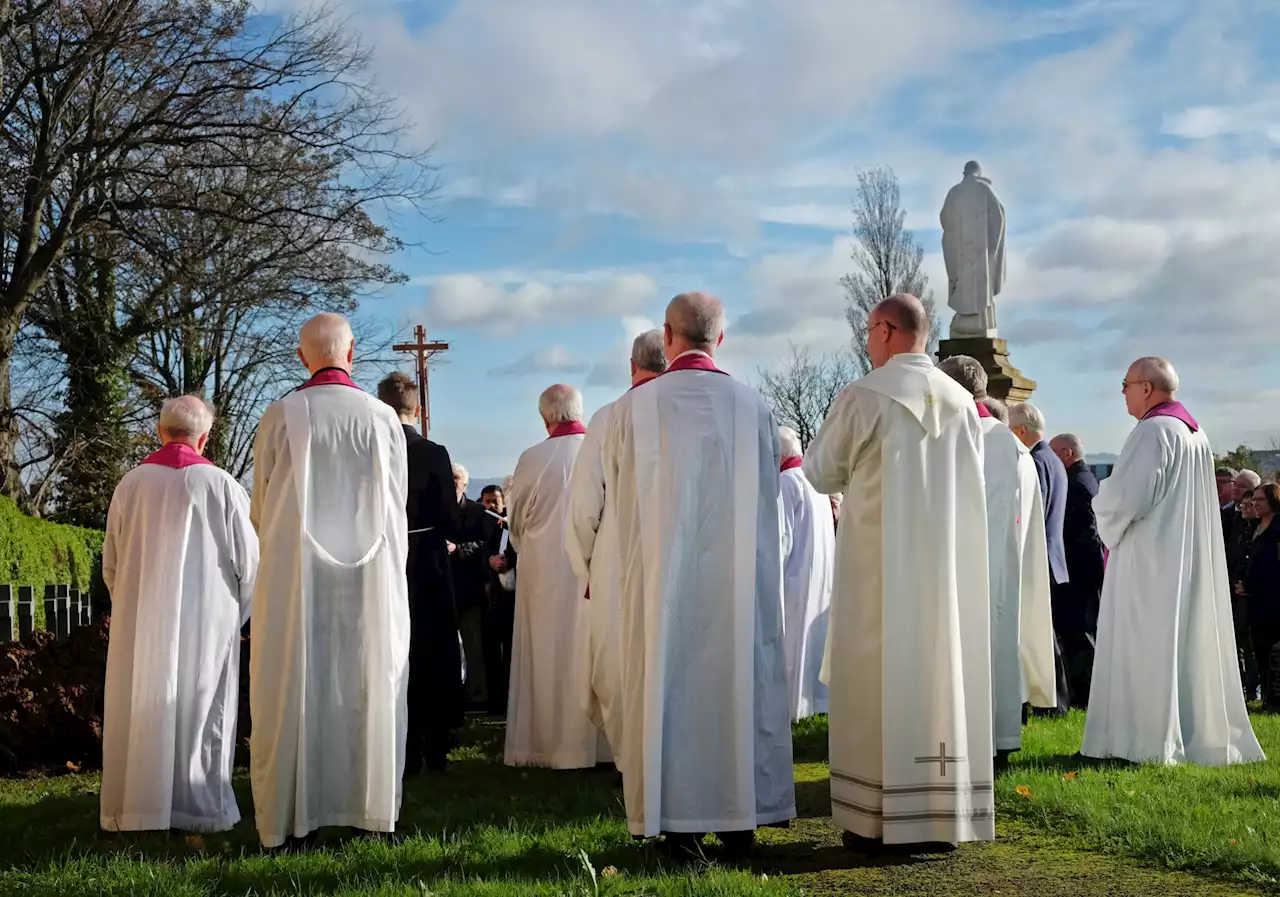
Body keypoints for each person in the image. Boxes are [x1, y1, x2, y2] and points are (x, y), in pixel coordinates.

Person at [566, 292, 794, 854]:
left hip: (655, 588)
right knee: (738, 690)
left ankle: (678, 827)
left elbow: (583, 514)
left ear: (668, 337)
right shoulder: (756, 408)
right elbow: (773, 505)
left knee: (665, 692)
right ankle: (742, 822)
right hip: (737, 587)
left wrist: (591, 570)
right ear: (720, 340)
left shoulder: (627, 411)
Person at [805, 294, 992, 851]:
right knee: (941, 676)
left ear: (886, 330)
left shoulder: (864, 396)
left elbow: (820, 472)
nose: (866, 341)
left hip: (879, 571)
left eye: (868, 330)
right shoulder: (961, 401)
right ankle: (939, 817)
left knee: (875, 680)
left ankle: (875, 821)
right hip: (945, 574)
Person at [249, 313, 410, 848]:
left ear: (303, 357)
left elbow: (261, 506)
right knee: (366, 681)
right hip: (370, 578)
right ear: (352, 352)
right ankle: (370, 809)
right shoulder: (383, 417)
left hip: (297, 575)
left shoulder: (280, 415)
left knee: (297, 682)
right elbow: (397, 501)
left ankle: (295, 814)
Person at [1082, 356, 1263, 766]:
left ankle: (1142, 741)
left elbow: (1128, 497)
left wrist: (1101, 498)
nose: (1122, 391)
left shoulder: (1153, 431)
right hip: (1183, 558)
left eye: (1126, 384)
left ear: (1147, 388)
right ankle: (1182, 731)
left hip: (1150, 564)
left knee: (1147, 648)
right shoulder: (1195, 434)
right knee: (1178, 648)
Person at [100, 396, 258, 833]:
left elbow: (111, 564)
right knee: (201, 709)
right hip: (208, 621)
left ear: (159, 431)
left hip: (142, 622)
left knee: (143, 705)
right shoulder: (223, 485)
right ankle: (200, 809)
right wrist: (233, 618)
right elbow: (251, 564)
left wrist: (136, 606)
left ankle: (137, 809)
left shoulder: (129, 485)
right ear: (204, 438)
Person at [937, 356, 1055, 760]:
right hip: (1005, 571)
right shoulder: (1010, 442)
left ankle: (979, 736)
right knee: (1001, 643)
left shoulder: (972, 437)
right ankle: (998, 735)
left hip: (973, 570)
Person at [566, 330, 667, 765]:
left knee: (620, 662)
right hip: (682, 559)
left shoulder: (610, 417)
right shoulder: (694, 409)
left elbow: (585, 504)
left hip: (619, 561)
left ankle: (631, 761)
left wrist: (586, 563)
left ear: (632, 365)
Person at [505, 384, 607, 769]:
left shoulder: (533, 458)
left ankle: (547, 745)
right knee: (593, 652)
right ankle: (599, 747)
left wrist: (524, 544)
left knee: (548, 655)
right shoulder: (602, 448)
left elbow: (515, 524)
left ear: (545, 417)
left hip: (544, 573)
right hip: (595, 570)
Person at [377, 372, 464, 774]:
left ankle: (399, 746)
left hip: (383, 560)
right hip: (427, 560)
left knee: (391, 650)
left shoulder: (370, 451)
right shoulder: (433, 452)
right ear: (418, 409)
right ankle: (436, 747)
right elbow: (451, 517)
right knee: (434, 651)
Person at [1009, 402, 1071, 714]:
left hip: (1039, 555)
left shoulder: (1034, 461)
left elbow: (1032, 511)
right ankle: (1056, 701)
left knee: (1039, 634)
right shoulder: (1054, 459)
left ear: (1020, 430)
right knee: (1049, 634)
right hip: (1054, 555)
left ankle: (1053, 701)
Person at [777, 425, 836, 721]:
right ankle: (814, 703)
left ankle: (793, 708)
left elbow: (780, 538)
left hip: (794, 578)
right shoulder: (813, 480)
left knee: (792, 645)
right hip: (818, 574)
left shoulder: (786, 482)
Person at [1049, 433, 1106, 707]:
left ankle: (1085, 696)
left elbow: (1086, 534)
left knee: (1081, 635)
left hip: (1080, 573)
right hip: (1083, 571)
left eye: (1054, 453)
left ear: (1067, 453)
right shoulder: (1085, 479)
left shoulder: (1077, 484)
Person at [1242, 484, 1280, 709]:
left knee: (1274, 649)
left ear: (1273, 500)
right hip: (1254, 600)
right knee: (1260, 649)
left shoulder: (1277, 529)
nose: (1255, 503)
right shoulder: (1254, 527)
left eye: (1260, 500)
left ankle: (1274, 698)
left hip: (1273, 599)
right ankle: (1267, 696)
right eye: (1253, 499)